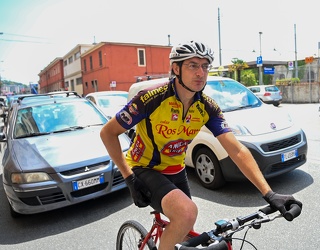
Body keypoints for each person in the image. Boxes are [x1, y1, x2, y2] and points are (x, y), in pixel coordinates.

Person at [100, 40, 302, 250]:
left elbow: (236, 149)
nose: (200, 73)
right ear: (176, 68)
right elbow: (108, 133)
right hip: (144, 168)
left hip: (176, 170)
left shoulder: (206, 107)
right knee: (186, 212)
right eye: (193, 65)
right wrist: (129, 177)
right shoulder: (151, 99)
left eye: (205, 66)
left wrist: (269, 194)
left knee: (186, 232)